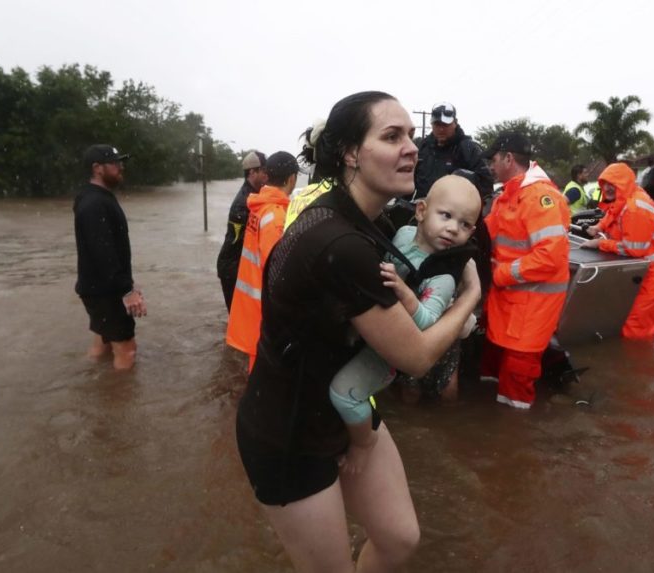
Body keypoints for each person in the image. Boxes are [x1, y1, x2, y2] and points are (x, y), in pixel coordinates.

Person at [235, 91, 481, 572]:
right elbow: (416, 357)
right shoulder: (340, 243)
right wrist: (470, 295)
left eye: (411, 134)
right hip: (290, 434)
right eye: (392, 136)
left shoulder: (357, 216)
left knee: (399, 537)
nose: (412, 146)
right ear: (350, 152)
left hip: (343, 404)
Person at [329, 174, 481, 416]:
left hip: (405, 346)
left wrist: (402, 290)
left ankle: (368, 441)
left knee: (436, 385)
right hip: (378, 331)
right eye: (446, 216)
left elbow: (428, 322)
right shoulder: (403, 233)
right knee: (407, 391)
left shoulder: (443, 276)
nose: (453, 229)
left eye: (464, 224)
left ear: (471, 232)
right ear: (421, 211)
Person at [481, 131, 572, 410]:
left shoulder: (540, 197)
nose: (490, 166)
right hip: (507, 299)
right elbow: (486, 236)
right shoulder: (506, 196)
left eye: (494, 159)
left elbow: (549, 257)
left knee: (518, 372)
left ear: (509, 158)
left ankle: (515, 437)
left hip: (532, 302)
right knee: (492, 364)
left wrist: (499, 274)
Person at [583, 162, 654, 339]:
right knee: (646, 323)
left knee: (635, 328)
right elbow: (613, 212)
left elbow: (634, 250)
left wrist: (600, 243)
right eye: (604, 183)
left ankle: (637, 363)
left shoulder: (636, 208)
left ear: (623, 183)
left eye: (612, 183)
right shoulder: (628, 196)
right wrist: (599, 226)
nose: (607, 188)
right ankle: (651, 345)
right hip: (650, 272)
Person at [73, 144, 147, 370]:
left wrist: (127, 284)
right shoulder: (96, 203)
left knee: (102, 344)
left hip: (95, 289)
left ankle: (94, 388)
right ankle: (120, 402)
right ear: (97, 168)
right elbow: (103, 253)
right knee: (127, 350)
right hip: (107, 292)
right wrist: (127, 290)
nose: (120, 166)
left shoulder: (91, 197)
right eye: (114, 163)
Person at [225, 151, 298, 371]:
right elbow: (277, 274)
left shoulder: (259, 206)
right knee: (264, 377)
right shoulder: (275, 217)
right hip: (264, 314)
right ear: (292, 178)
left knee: (256, 373)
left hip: (252, 309)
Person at [216, 150, 267, 310]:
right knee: (239, 320)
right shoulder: (244, 202)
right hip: (232, 268)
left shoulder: (255, 195)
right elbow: (248, 240)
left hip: (238, 266)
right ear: (252, 172)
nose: (267, 175)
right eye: (264, 171)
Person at [413, 102, 494, 201]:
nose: (441, 129)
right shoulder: (422, 147)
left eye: (445, 124)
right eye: (437, 124)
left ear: (455, 123)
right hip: (422, 209)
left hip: (455, 211)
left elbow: (486, 185)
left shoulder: (468, 149)